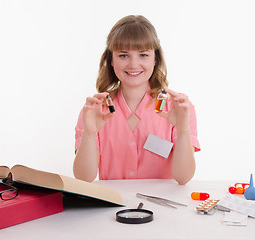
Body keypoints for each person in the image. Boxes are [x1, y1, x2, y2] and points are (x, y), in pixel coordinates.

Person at [73, 15, 200, 185]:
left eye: (143, 55)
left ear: (155, 59)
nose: (133, 65)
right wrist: (89, 134)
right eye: (123, 55)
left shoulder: (178, 108)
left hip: (162, 208)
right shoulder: (95, 111)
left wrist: (183, 130)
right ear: (111, 59)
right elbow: (83, 178)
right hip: (114, 207)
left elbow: (183, 178)